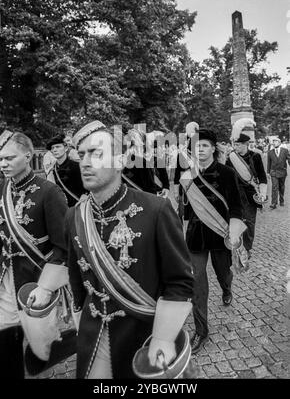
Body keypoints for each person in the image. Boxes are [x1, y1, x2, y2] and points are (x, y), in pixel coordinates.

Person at [65, 120, 194, 378]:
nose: (86, 162)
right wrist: (80, 318)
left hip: (143, 336)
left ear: (121, 161)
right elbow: (76, 279)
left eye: (97, 154)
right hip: (93, 335)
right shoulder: (73, 216)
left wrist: (164, 337)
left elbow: (180, 282)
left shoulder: (156, 210)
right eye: (82, 155)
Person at [0, 130, 68, 378]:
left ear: (28, 156)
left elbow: (64, 247)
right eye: (0, 159)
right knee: (7, 337)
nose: (3, 164)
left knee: (40, 342)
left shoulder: (49, 192)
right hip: (6, 277)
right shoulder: (2, 188)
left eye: (9, 158)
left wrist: (48, 287)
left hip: (36, 278)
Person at [177, 129, 245, 355]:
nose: (200, 149)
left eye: (205, 145)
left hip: (220, 234)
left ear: (213, 148)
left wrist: (234, 232)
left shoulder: (226, 172)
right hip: (196, 236)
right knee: (197, 283)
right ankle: (201, 331)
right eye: (197, 146)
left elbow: (236, 205)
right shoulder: (187, 176)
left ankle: (227, 287)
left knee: (223, 272)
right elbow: (183, 209)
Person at [226, 133, 267, 257]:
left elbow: (262, 177)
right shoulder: (231, 158)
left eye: (238, 145)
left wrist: (263, 194)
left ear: (245, 145)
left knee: (249, 222)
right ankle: (237, 245)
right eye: (235, 144)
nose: (235, 147)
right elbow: (227, 177)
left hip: (250, 194)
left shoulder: (255, 157)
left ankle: (247, 248)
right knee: (236, 220)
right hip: (235, 194)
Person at [46, 133, 86, 207]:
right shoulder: (52, 170)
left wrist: (83, 198)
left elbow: (87, 189)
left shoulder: (76, 166)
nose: (54, 150)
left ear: (66, 148)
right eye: (52, 148)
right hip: (60, 208)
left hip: (77, 208)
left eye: (58, 147)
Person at [267, 137, 290, 209]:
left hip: (282, 172)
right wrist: (268, 172)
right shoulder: (270, 152)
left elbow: (289, 160)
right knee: (274, 187)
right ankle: (273, 203)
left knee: (281, 187)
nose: (274, 143)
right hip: (273, 172)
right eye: (273, 142)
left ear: (279, 143)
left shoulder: (285, 151)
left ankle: (281, 200)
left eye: (276, 141)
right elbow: (269, 163)